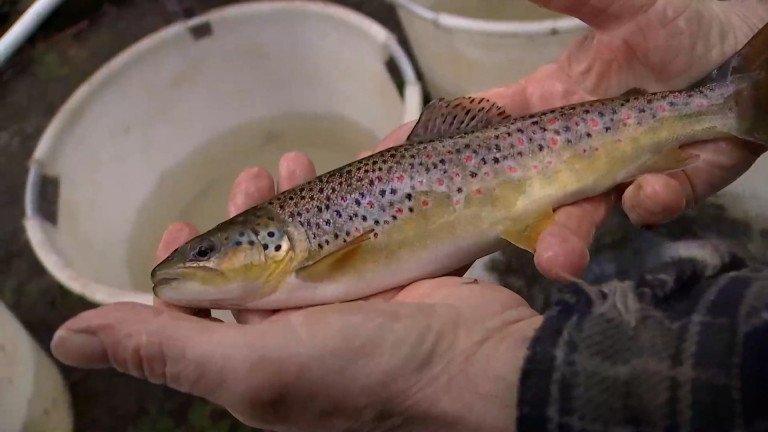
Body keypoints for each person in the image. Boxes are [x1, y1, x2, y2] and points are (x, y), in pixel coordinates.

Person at [50, 1, 768, 431]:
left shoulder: (305, 259)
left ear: (266, 244)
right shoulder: (291, 260)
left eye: (206, 256)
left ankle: (726, 101)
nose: (189, 268)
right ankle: (720, 102)